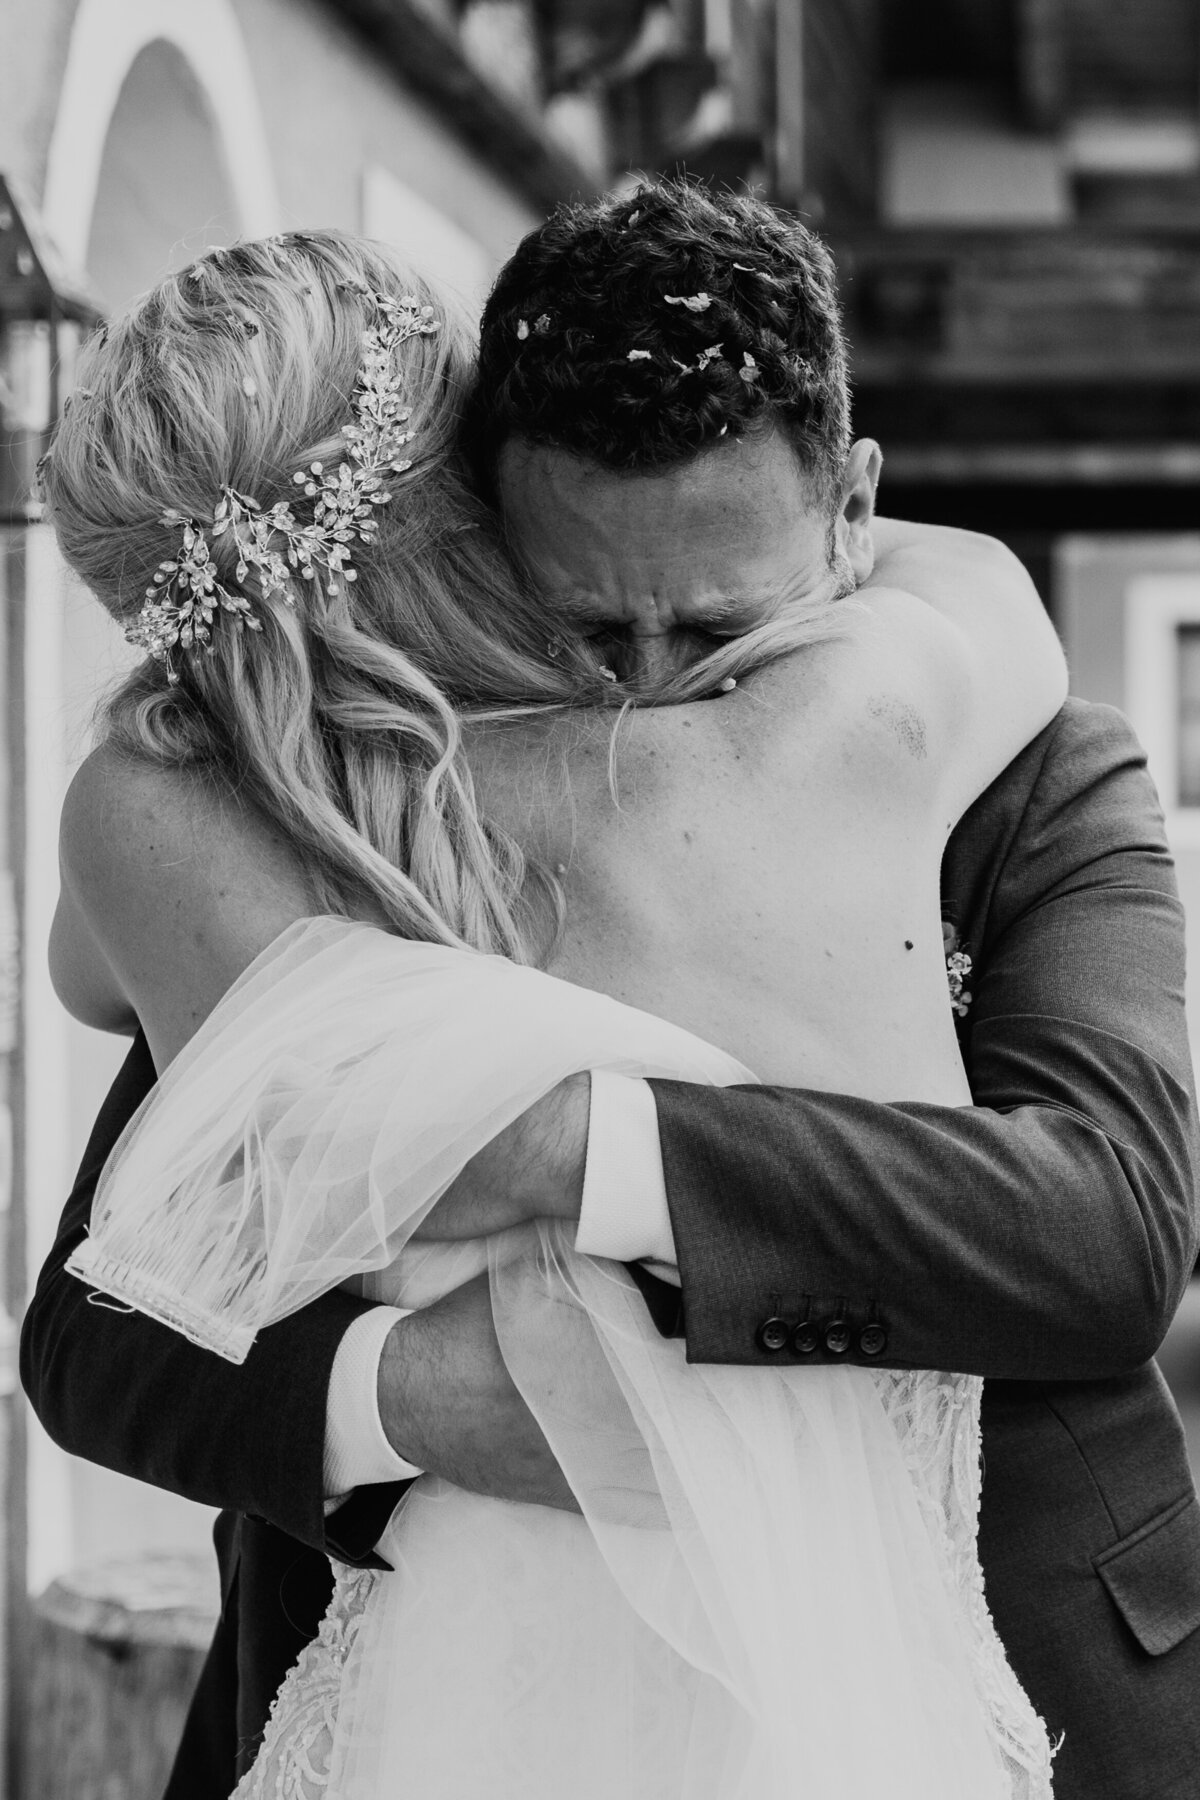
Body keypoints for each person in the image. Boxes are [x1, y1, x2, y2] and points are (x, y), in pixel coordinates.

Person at [20, 187, 1200, 1798]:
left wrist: (593, 1145)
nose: (659, 683)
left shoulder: (187, 826)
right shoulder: (901, 693)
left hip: (992, 1655)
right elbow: (96, 1326)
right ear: (482, 528)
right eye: (590, 620)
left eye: (722, 621)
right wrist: (397, 1402)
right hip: (425, 1660)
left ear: (852, 504)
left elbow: (1105, 1235)